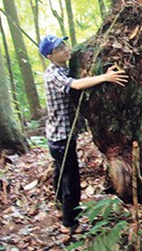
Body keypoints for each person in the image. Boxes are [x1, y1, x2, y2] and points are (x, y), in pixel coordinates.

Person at [39, 35, 128, 233]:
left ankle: (61, 208)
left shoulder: (63, 68)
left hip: (62, 134)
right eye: (59, 49)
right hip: (60, 136)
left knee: (61, 174)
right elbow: (76, 85)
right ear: (50, 56)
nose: (65, 49)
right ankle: (69, 224)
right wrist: (105, 77)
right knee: (70, 177)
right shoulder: (53, 74)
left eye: (64, 45)